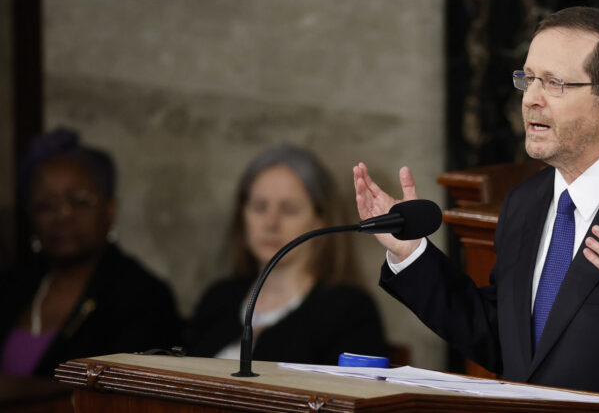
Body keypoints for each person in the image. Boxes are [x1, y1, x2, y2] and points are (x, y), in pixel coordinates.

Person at [353, 7, 599, 412]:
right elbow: (505, 344)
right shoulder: (524, 203)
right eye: (528, 79)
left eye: (554, 84)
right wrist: (411, 256)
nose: (531, 100)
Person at [0, 129, 181, 377]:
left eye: (79, 201)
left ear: (110, 209)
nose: (63, 216)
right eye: (46, 205)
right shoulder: (12, 284)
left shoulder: (143, 296)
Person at [189, 145, 387, 365]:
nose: (271, 223)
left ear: (320, 220)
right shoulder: (218, 298)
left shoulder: (349, 311)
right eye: (259, 207)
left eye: (289, 209)